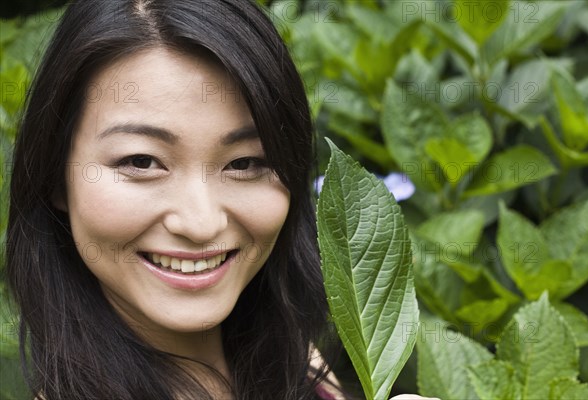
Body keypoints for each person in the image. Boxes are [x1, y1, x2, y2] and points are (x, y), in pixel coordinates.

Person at [5, 0, 436, 399]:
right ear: (56, 176)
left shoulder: (296, 362)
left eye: (245, 163)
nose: (201, 223)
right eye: (141, 160)